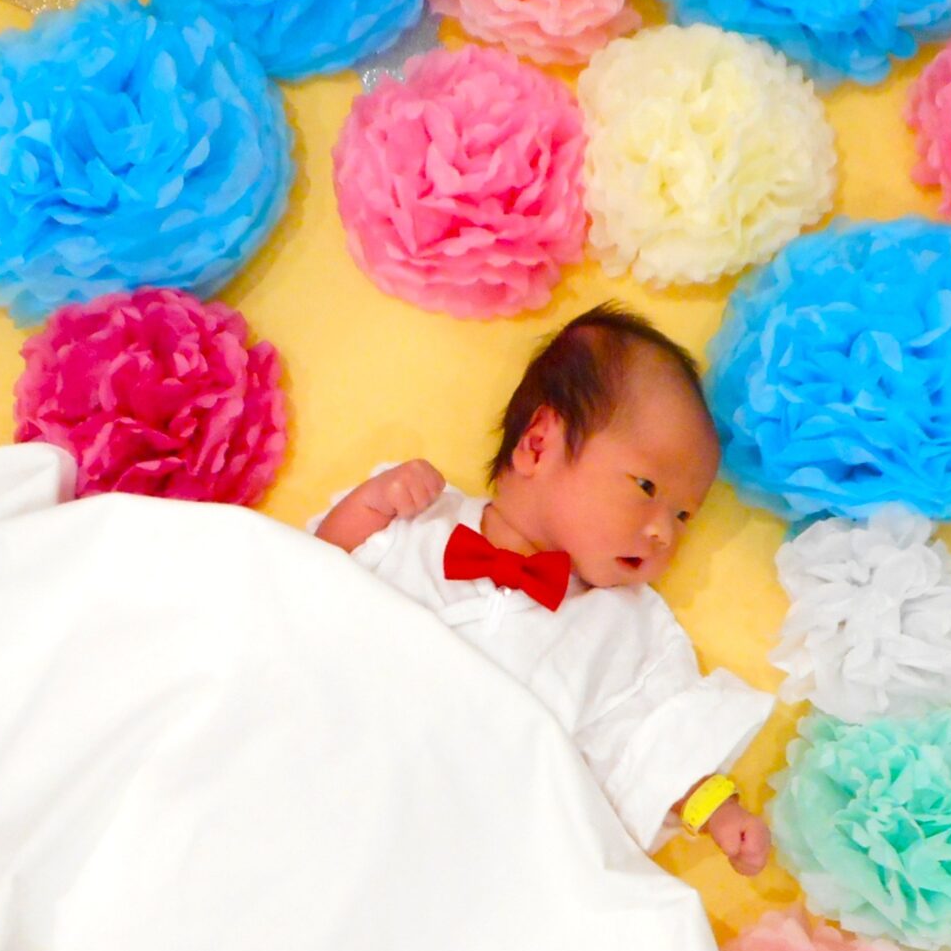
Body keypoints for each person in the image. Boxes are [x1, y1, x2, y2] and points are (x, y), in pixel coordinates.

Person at [313, 302, 773, 871]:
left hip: (450, 842)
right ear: (537, 445)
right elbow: (304, 580)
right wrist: (373, 501)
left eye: (683, 516)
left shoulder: (623, 627)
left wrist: (720, 813)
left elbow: (654, 745)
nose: (663, 532)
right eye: (646, 487)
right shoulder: (415, 521)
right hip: (332, 755)